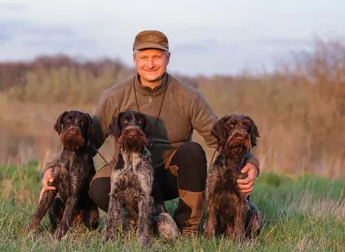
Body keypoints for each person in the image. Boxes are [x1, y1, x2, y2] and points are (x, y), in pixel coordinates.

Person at [40, 30, 260, 236]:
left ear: (168, 58)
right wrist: (53, 170)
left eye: (157, 57)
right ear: (135, 60)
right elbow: (86, 140)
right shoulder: (114, 96)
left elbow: (219, 136)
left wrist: (251, 162)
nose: (151, 64)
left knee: (193, 151)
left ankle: (187, 228)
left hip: (170, 175)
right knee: (98, 187)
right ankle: (134, 222)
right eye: (144, 58)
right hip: (127, 170)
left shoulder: (188, 96)